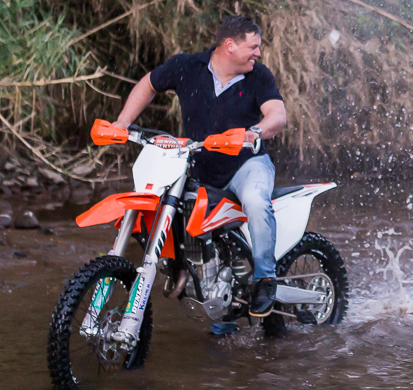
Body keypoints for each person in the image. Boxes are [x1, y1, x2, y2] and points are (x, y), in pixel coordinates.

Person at [111, 16, 287, 319]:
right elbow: (148, 84)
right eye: (253, 47)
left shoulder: (259, 76)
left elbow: (278, 114)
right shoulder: (187, 66)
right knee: (168, 205)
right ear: (229, 45)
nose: (258, 53)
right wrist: (122, 123)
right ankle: (189, 276)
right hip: (200, 168)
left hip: (247, 165)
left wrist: (254, 132)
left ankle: (265, 280)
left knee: (256, 200)